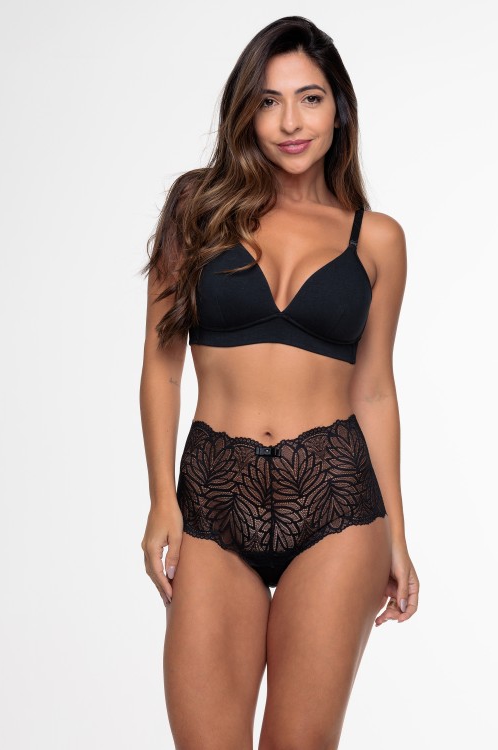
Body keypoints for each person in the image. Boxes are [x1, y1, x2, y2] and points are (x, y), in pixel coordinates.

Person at [139, 15, 419, 750]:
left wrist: (397, 534)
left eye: (310, 98)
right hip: (213, 497)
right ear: (246, 112)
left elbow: (375, 390)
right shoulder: (196, 209)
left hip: (337, 501)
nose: (291, 122)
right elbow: (161, 366)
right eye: (269, 101)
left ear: (340, 108)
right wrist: (162, 499)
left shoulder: (377, 238)